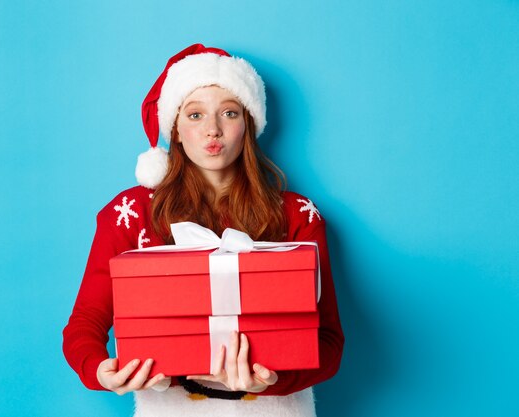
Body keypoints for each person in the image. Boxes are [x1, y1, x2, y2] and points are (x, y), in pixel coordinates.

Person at [63, 44, 344, 417]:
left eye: (229, 112)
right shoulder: (130, 214)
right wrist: (100, 370)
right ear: (175, 129)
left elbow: (328, 342)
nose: (212, 129)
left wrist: (273, 380)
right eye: (195, 115)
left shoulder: (297, 215)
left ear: (249, 123)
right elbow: (85, 322)